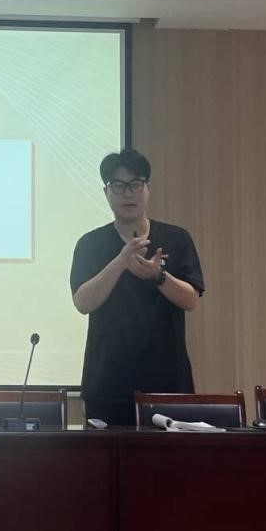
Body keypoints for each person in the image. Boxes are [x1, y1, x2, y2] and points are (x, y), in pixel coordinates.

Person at [69, 148, 204, 427]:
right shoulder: (90, 244)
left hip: (168, 383)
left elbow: (191, 300)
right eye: (118, 186)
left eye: (135, 184)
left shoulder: (176, 238)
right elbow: (83, 302)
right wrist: (120, 261)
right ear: (106, 191)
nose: (127, 193)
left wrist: (158, 275)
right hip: (107, 384)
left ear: (148, 188)